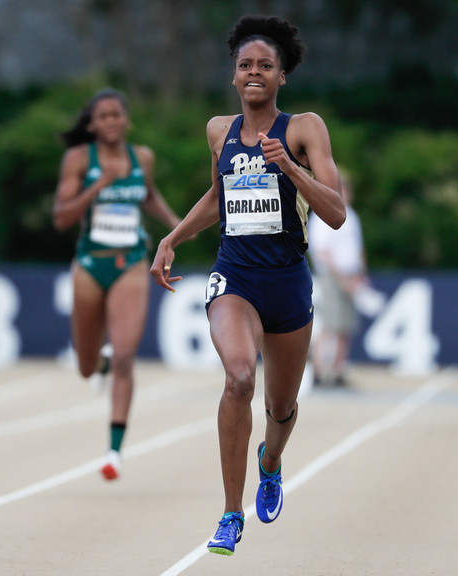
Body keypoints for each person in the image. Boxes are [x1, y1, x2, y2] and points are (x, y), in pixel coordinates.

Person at [149, 15, 345, 556]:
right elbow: (218, 199)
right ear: (234, 76)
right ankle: (230, 514)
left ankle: (272, 462)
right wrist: (172, 238)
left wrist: (292, 170)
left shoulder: (305, 128)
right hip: (234, 276)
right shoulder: (220, 131)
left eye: (265, 65)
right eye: (245, 65)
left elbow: (336, 213)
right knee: (239, 378)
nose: (254, 72)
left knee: (281, 408)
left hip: (287, 282)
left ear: (282, 76)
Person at [52, 88, 180, 481]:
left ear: (127, 120)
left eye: (116, 115)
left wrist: (178, 228)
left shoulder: (142, 157)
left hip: (131, 263)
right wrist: (99, 184)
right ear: (92, 124)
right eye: (102, 116)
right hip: (91, 265)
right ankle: (100, 363)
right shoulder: (78, 159)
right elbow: (61, 217)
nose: (110, 121)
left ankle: (113, 451)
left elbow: (149, 195)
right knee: (87, 368)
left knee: (127, 355)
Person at [307, 169, 369, 387]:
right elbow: (324, 252)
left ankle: (337, 369)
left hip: (350, 275)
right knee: (331, 324)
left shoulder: (351, 216)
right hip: (333, 276)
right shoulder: (323, 214)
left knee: (346, 325)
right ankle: (319, 369)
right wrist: (342, 278)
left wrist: (361, 275)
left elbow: (357, 249)